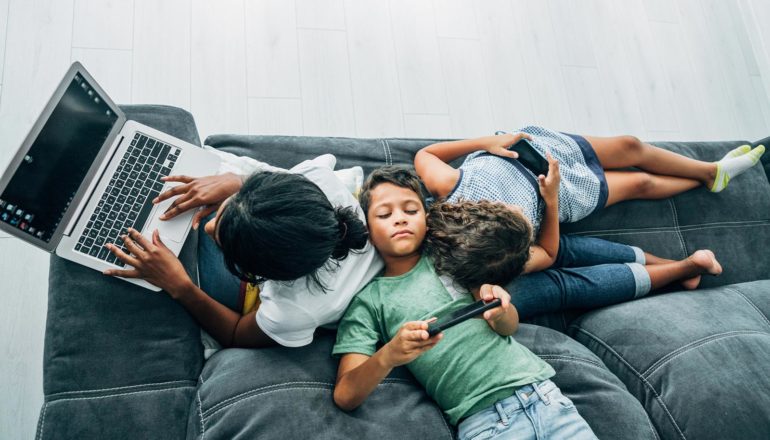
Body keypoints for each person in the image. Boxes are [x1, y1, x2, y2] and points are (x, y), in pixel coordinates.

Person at [332, 165, 599, 439]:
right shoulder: (368, 302)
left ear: (426, 216)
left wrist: (500, 310)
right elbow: (345, 395)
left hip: (544, 396)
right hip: (486, 425)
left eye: (411, 211)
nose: (400, 219)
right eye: (385, 214)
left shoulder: (451, 258)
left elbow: (508, 328)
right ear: (367, 226)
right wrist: (389, 355)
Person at [103, 154, 383, 348]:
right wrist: (236, 181)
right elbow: (269, 184)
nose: (210, 228)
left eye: (223, 244)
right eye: (228, 207)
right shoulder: (318, 180)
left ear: (259, 275)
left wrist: (180, 287)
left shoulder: (294, 310)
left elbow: (237, 334)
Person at [414, 128, 765, 237]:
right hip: (562, 194)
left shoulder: (445, 186)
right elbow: (545, 254)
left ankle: (709, 171)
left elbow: (425, 155)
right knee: (640, 184)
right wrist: (550, 200)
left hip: (539, 150)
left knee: (630, 145)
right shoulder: (474, 243)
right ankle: (713, 175)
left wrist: (485, 143)